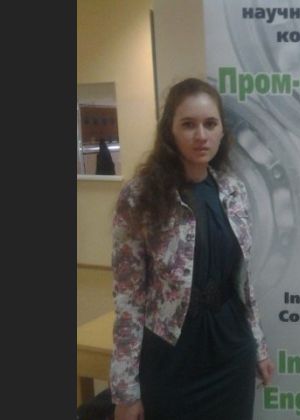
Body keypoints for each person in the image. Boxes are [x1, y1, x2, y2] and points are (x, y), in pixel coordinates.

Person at [110, 78, 274, 420]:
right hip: (172, 355)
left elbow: (243, 283)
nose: (201, 135)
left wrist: (258, 346)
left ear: (221, 131)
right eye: (188, 124)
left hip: (231, 349)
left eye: (210, 124)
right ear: (169, 131)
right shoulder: (140, 197)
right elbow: (128, 298)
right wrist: (126, 389)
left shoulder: (234, 191)